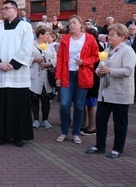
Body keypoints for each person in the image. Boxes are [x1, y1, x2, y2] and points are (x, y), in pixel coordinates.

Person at [0, 0, 34, 147]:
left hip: (18, 75)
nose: (3, 11)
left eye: (6, 8)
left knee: (17, 106)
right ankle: (1, 134)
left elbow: (27, 48)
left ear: (15, 10)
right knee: (1, 105)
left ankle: (18, 135)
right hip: (0, 73)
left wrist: (13, 64)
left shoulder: (25, 27)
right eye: (3, 9)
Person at [86, 23, 136, 158]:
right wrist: (99, 72)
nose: (109, 37)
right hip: (105, 93)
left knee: (120, 122)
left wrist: (110, 71)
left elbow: (128, 71)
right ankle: (99, 145)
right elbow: (99, 67)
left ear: (122, 37)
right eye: (109, 34)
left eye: (113, 35)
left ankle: (117, 148)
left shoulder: (128, 51)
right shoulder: (107, 50)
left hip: (120, 93)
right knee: (101, 120)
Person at [55, 15, 99, 144]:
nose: (71, 25)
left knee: (79, 105)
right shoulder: (65, 39)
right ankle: (64, 132)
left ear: (81, 25)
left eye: (74, 23)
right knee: (64, 104)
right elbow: (60, 59)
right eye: (69, 23)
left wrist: (84, 61)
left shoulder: (90, 39)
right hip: (67, 75)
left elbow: (95, 57)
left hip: (83, 74)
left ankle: (76, 132)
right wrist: (58, 76)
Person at [29, 26, 57, 129]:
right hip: (35, 75)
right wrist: (34, 60)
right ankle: (36, 119)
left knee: (46, 99)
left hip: (46, 76)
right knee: (34, 98)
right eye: (46, 35)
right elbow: (26, 58)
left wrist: (48, 64)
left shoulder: (50, 46)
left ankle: (45, 119)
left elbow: (56, 59)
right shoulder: (31, 45)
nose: (48, 37)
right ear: (40, 35)